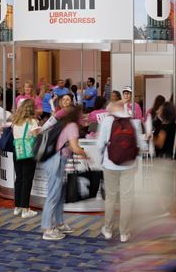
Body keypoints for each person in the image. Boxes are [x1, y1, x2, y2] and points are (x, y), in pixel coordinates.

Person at [41, 107, 88, 241]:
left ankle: (59, 223)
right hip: (56, 161)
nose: (84, 118)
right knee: (53, 195)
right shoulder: (72, 126)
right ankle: (47, 228)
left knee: (59, 194)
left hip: (56, 160)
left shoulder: (65, 124)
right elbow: (74, 147)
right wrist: (85, 154)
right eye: (82, 116)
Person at [97, 101, 138, 243]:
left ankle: (108, 230)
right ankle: (124, 233)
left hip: (110, 164)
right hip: (128, 165)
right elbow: (138, 143)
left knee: (110, 197)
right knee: (126, 199)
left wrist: (102, 154)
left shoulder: (107, 121)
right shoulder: (131, 121)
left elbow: (100, 143)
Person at [12, 99, 40, 219]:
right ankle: (25, 209)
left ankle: (17, 207)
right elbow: (36, 136)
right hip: (28, 151)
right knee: (27, 180)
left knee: (19, 178)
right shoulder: (32, 121)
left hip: (17, 150)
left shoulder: (16, 120)